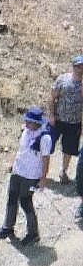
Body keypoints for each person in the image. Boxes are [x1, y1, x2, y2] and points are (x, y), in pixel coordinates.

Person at [0, 106, 52, 245]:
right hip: (18, 171)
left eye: (29, 121)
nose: (26, 123)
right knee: (12, 198)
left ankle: (33, 234)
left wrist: (43, 178)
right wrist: (13, 164)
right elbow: (21, 150)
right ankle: (7, 228)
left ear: (36, 123)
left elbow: (46, 159)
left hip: (31, 175)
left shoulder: (45, 138)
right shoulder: (25, 131)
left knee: (25, 202)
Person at [49, 55, 83, 184]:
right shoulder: (62, 79)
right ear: (73, 66)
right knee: (47, 144)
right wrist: (51, 115)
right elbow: (52, 98)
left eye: (82, 67)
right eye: (78, 66)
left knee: (68, 149)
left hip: (74, 123)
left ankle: (63, 172)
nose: (80, 69)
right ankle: (39, 170)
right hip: (58, 120)